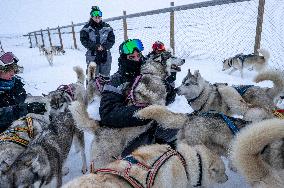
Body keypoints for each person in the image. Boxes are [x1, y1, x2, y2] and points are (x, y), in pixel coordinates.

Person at [99, 39, 178, 157]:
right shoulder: (116, 81)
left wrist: (167, 85)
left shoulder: (149, 73)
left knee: (179, 134)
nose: (137, 60)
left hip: (154, 126)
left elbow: (169, 99)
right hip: (129, 134)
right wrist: (144, 113)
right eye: (132, 57)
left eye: (138, 56)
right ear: (125, 58)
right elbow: (107, 113)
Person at [0, 52, 46, 133]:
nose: (13, 73)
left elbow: (24, 99)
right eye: (7, 70)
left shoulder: (15, 84)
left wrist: (40, 102)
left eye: (13, 69)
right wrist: (25, 108)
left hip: (21, 127)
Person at [80, 6, 115, 79]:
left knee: (105, 77)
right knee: (92, 78)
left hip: (105, 55)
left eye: (99, 14)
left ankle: (104, 90)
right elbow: (84, 40)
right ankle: (91, 90)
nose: (97, 17)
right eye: (95, 15)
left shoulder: (107, 27)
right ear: (92, 16)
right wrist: (95, 46)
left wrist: (104, 47)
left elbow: (111, 40)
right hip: (92, 56)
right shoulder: (86, 28)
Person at [146, 41, 177, 105]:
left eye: (161, 49)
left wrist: (165, 80)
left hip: (167, 81)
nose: (160, 51)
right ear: (154, 50)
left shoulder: (169, 58)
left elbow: (173, 76)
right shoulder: (149, 58)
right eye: (158, 50)